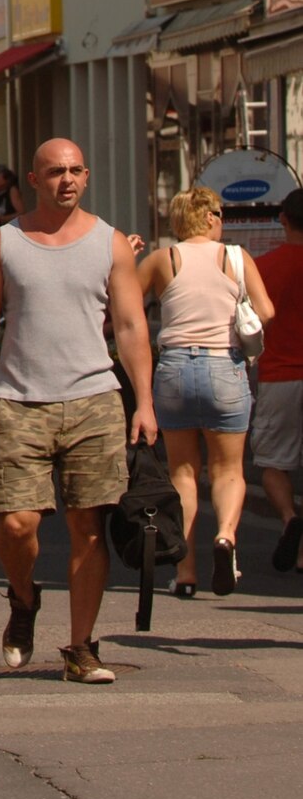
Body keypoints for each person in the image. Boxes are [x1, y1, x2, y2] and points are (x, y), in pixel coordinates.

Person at [0, 138, 157, 685]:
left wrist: (144, 401)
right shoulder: (5, 244)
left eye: (74, 171)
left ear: (86, 176)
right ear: (33, 180)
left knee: (88, 526)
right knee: (17, 524)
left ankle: (81, 647)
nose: (65, 180)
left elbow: (134, 326)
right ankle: (24, 599)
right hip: (21, 401)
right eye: (54, 172)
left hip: (95, 399)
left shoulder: (111, 244)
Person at [137, 186, 274, 596]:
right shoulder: (235, 257)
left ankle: (186, 572)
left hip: (175, 368)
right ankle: (225, 537)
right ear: (211, 217)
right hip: (223, 366)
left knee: (183, 472)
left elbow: (122, 306)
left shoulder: (163, 259)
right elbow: (265, 312)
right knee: (228, 470)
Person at [253, 186, 303, 573]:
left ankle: (289, 518)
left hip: (279, 375)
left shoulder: (264, 267)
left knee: (272, 463)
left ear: (283, 219)